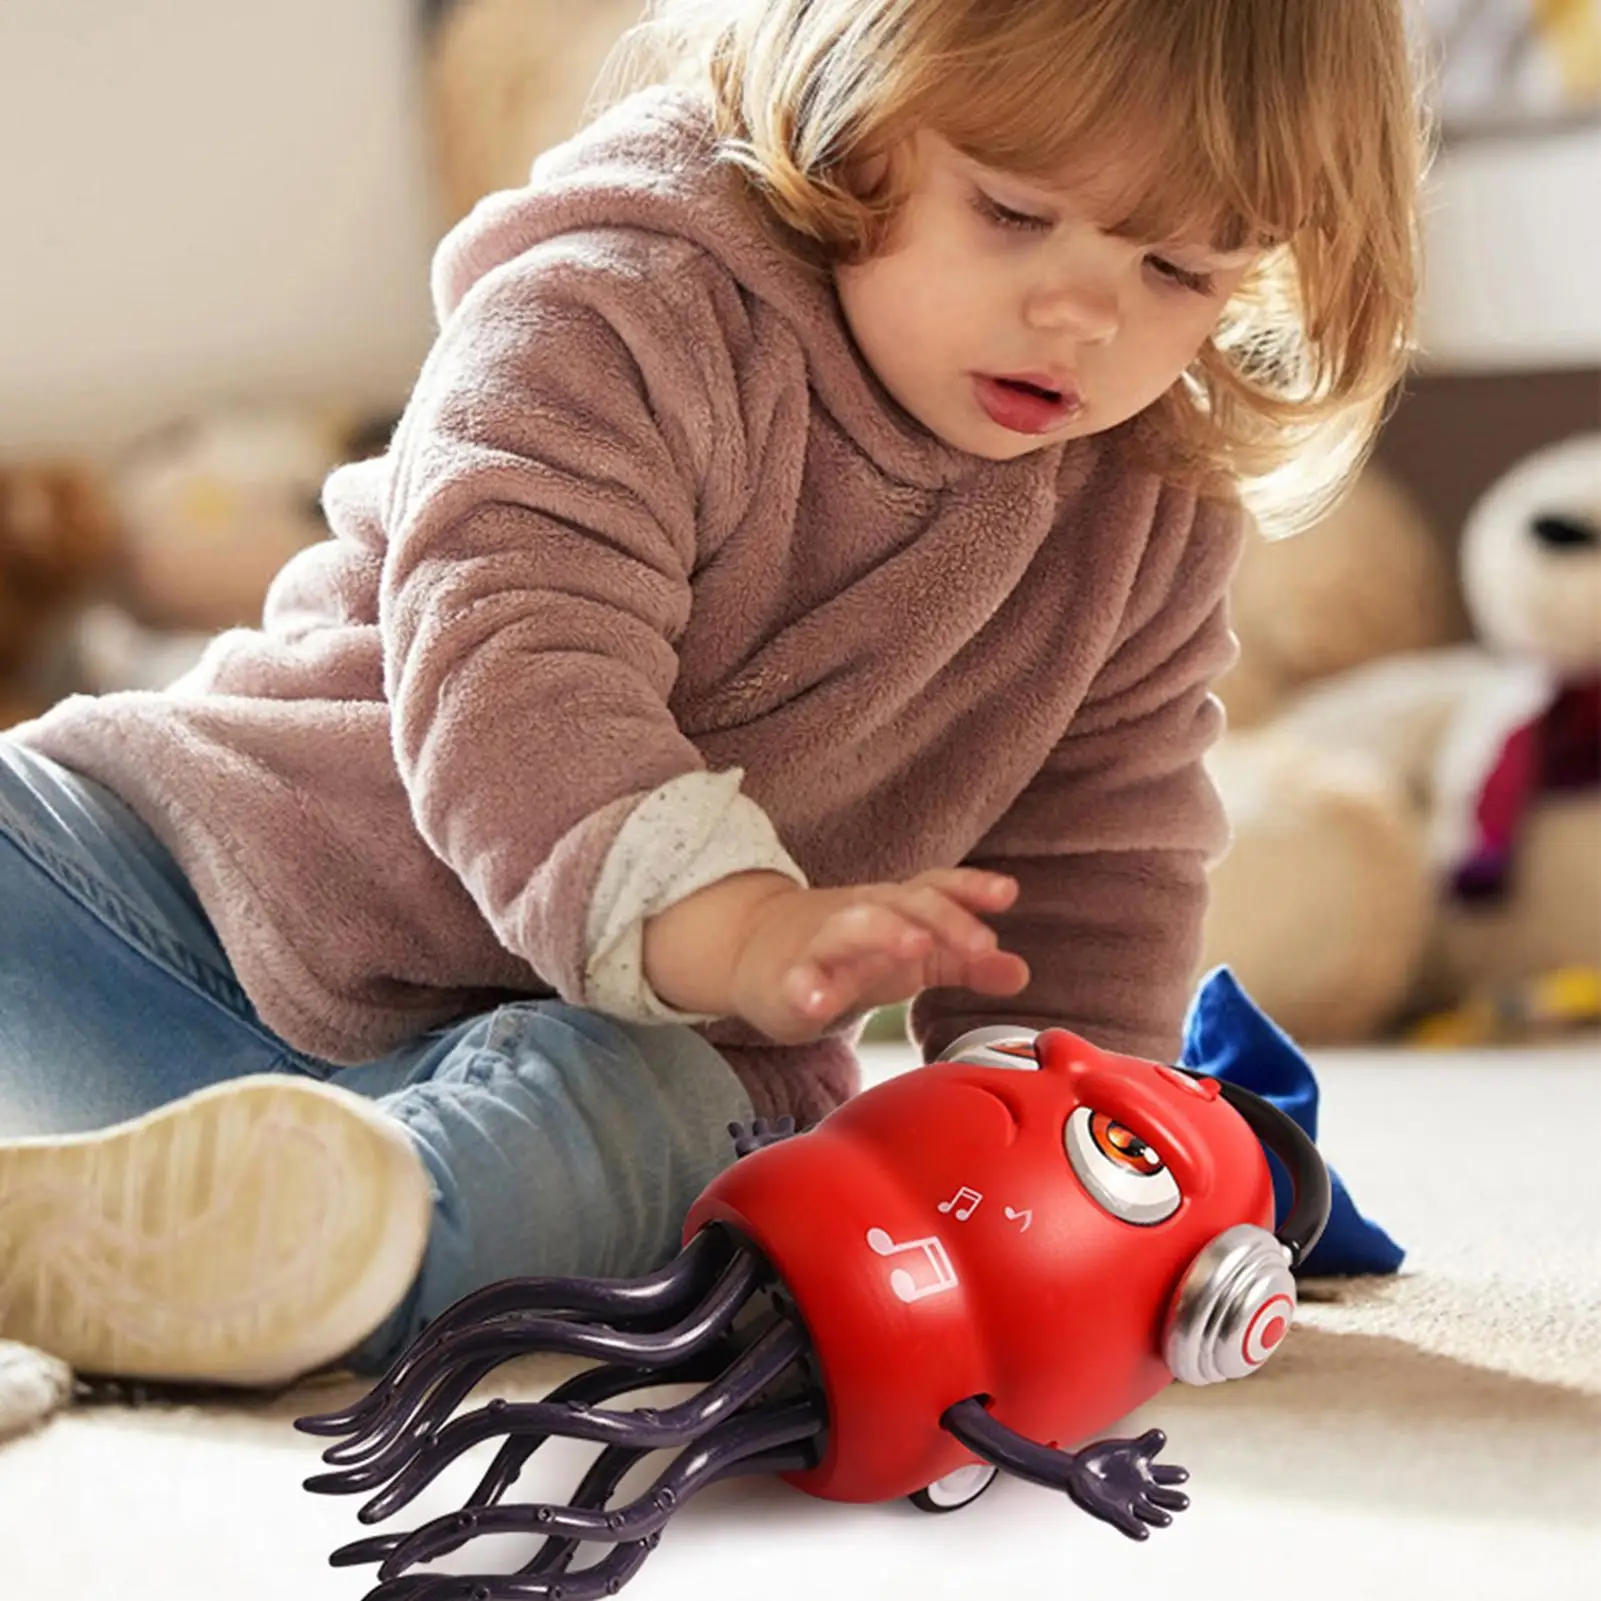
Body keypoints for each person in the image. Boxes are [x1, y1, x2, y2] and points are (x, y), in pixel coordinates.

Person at [0, 0, 1426, 1390]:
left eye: (1177, 269)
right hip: (189, 898)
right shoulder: (612, 310)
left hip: (597, 1065)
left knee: (686, 1156)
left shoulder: (1149, 512)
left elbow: (1103, 855)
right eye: (1010, 212)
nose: (1082, 311)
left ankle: (265, 1246)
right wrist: (724, 922)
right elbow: (519, 658)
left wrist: (1069, 1138)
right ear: (854, 111)